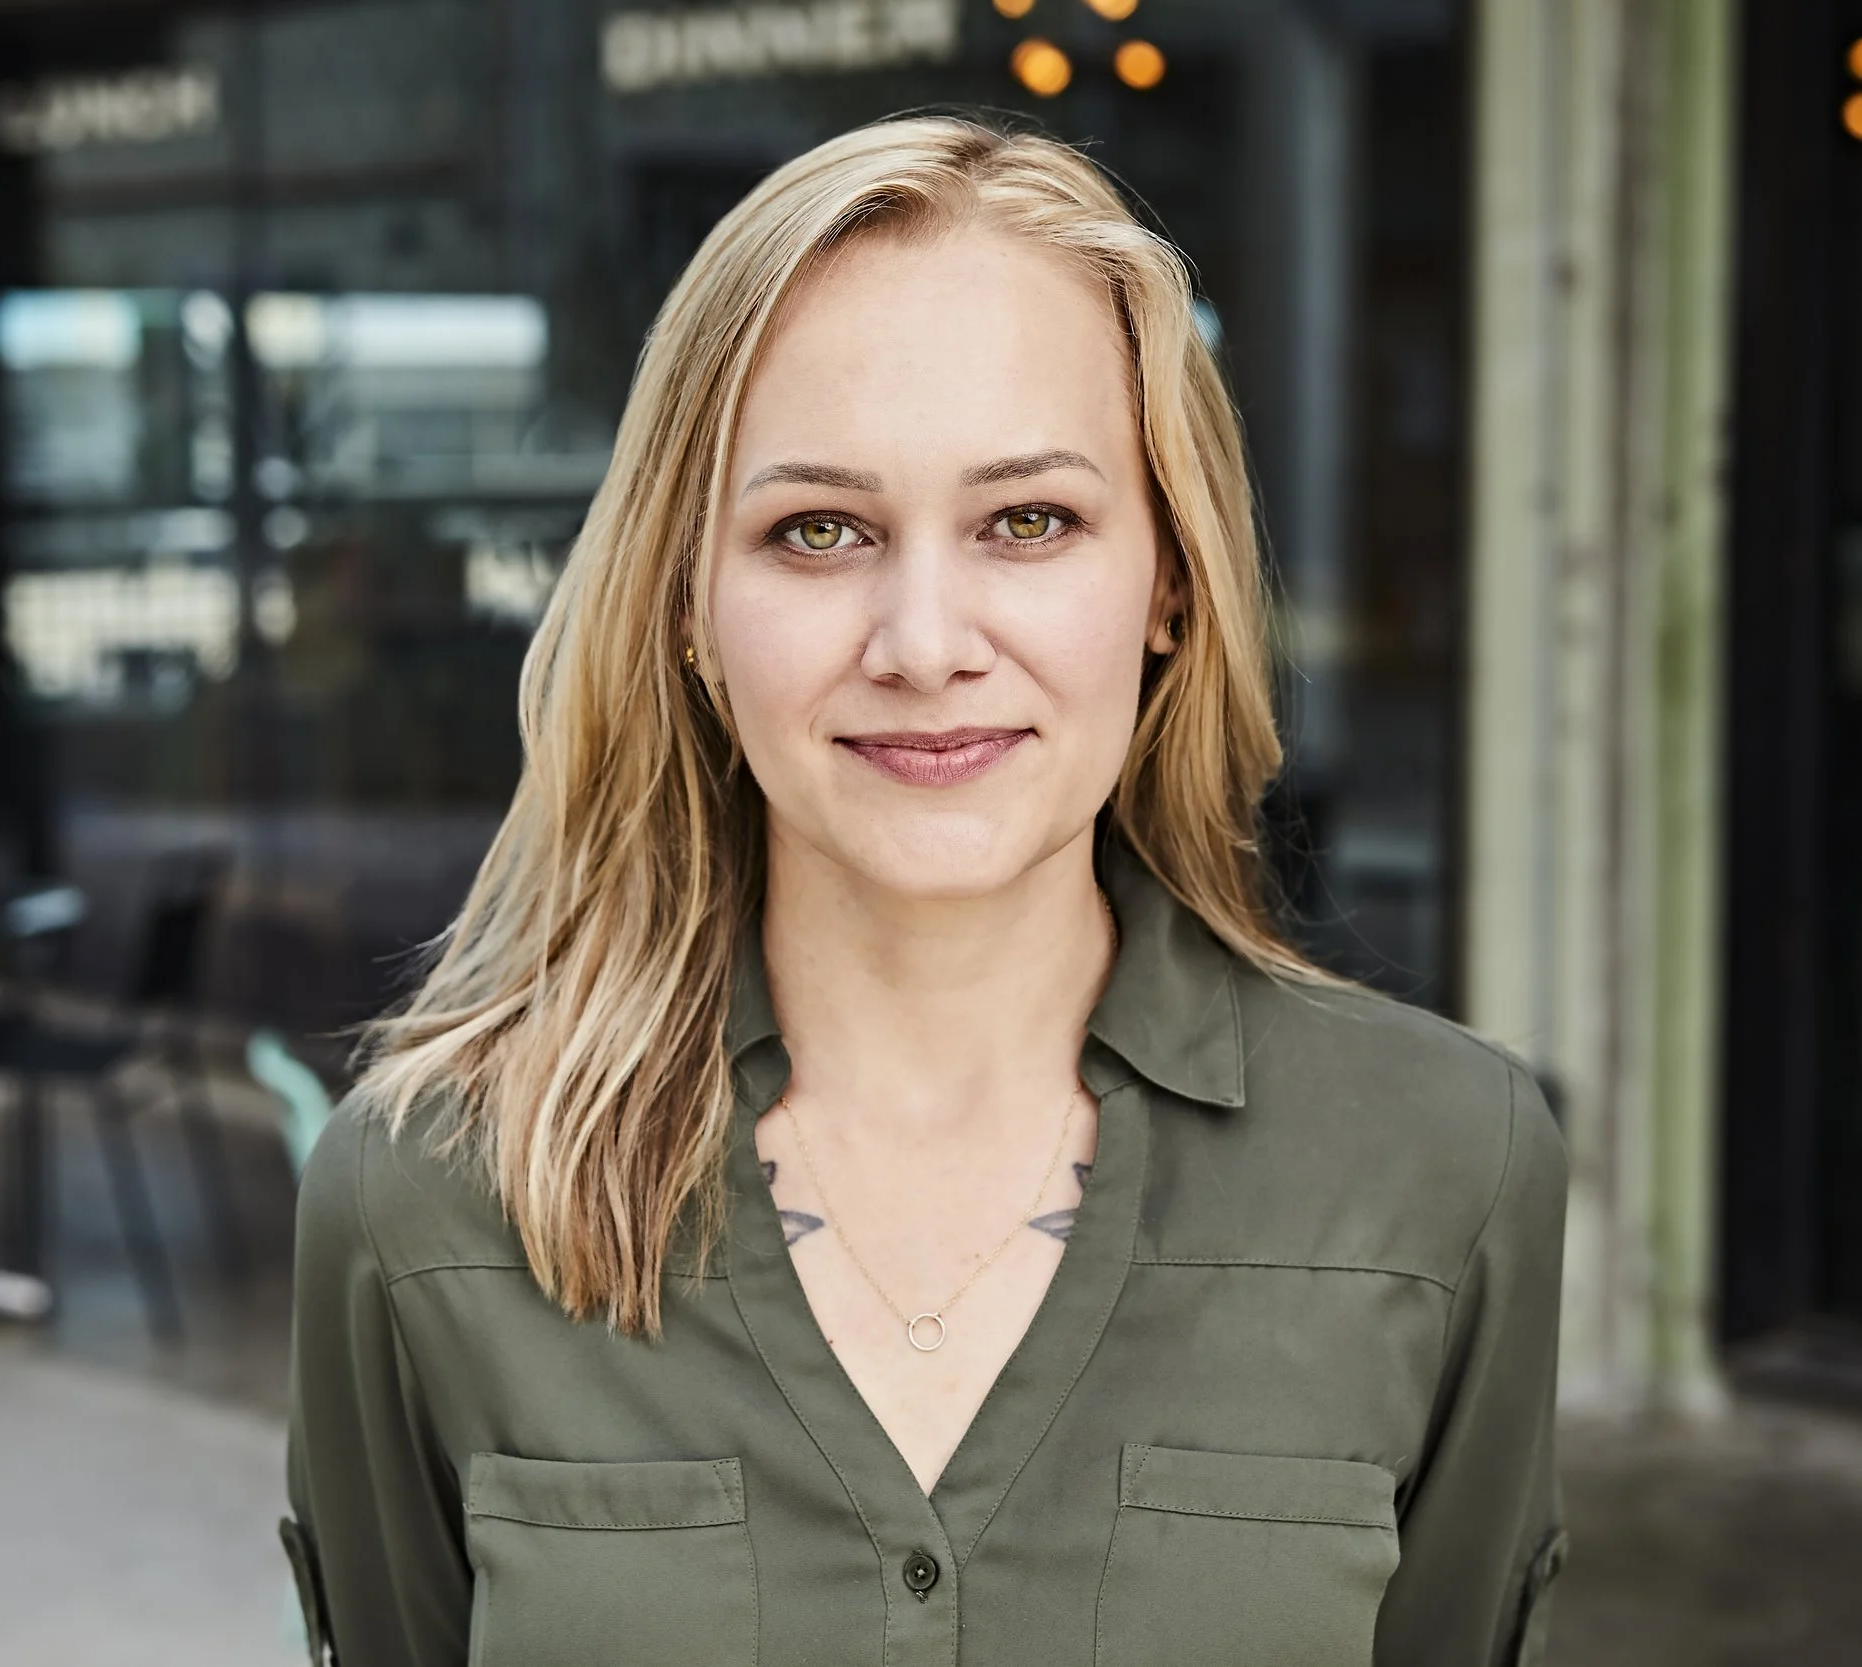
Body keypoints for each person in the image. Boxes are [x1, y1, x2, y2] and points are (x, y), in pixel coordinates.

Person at [280, 116, 1567, 1667]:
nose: (923, 640)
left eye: (1030, 521)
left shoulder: (1445, 1164)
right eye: (819, 530)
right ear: (691, 603)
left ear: (1169, 577)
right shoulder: (425, 1192)